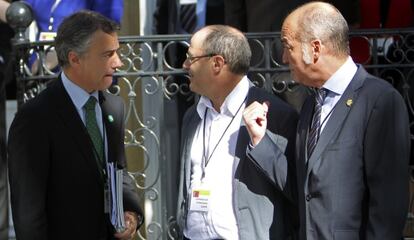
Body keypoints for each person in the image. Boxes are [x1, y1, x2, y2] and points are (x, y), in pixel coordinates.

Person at [245, 2, 411, 239]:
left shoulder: (379, 101)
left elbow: (387, 208)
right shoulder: (312, 102)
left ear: (315, 49)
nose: (283, 57)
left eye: (287, 47)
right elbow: (305, 187)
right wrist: (261, 141)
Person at [8, 11, 143, 240]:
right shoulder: (35, 118)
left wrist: (131, 213)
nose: (118, 62)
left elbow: (117, 172)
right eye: (108, 54)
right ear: (74, 59)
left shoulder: (114, 107)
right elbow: (28, 214)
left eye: (117, 52)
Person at [176, 24, 298, 239]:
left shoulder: (276, 115)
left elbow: (295, 188)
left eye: (191, 58)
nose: (185, 65)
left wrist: (260, 143)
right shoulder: (192, 116)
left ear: (217, 63)